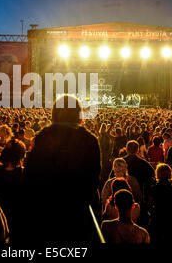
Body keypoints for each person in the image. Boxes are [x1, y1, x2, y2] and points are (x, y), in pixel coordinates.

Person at [21, 95, 101, 242]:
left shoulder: (43, 137)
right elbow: (94, 177)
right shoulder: (89, 140)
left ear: (55, 112)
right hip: (77, 210)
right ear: (78, 113)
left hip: (45, 210)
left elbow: (30, 174)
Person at [148, 163, 172, 244]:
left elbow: (150, 204)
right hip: (170, 217)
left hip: (157, 216)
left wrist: (152, 213)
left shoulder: (154, 189)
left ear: (157, 174)